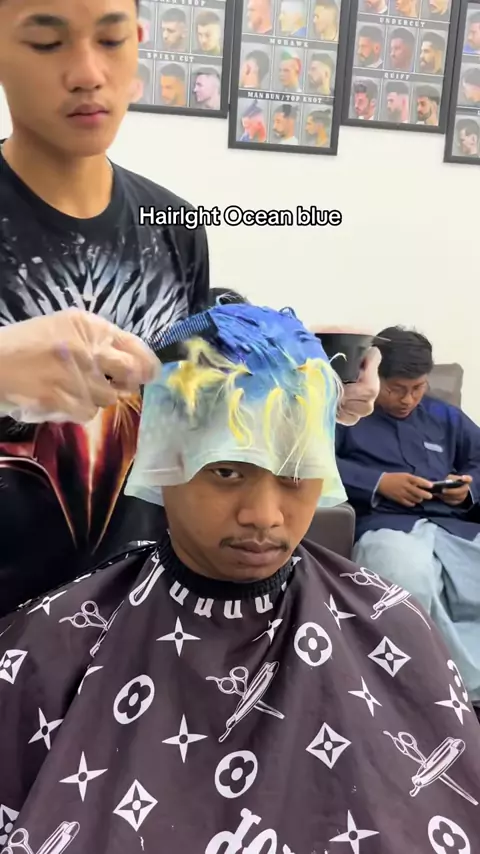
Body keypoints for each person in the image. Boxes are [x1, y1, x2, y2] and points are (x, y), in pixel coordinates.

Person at [1, 304, 479, 854]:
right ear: (165, 457)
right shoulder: (53, 648)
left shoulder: (392, 624)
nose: (265, 516)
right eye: (227, 470)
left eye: (295, 471)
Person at [0, 0, 210, 618]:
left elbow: (187, 410)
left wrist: (316, 388)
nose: (88, 73)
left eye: (112, 40)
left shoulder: (176, 223)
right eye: (47, 44)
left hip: (138, 624)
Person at [336, 326, 480, 710]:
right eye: (397, 388)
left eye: (417, 388)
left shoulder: (445, 416)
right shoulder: (346, 414)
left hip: (454, 526)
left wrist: (466, 490)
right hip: (387, 526)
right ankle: (420, 692)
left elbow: (478, 462)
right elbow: (315, 464)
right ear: (373, 376)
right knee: (405, 575)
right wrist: (379, 483)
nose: (408, 399)